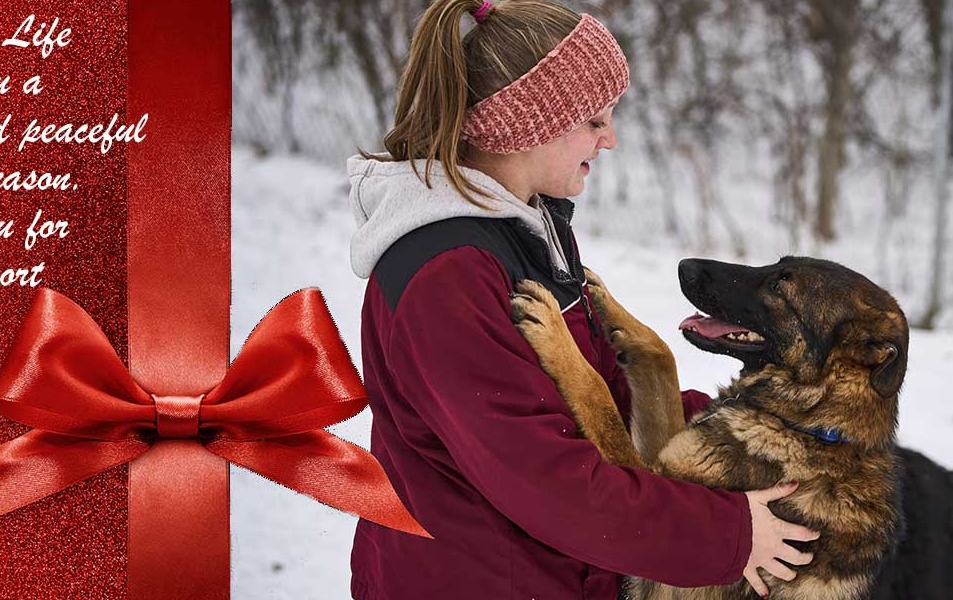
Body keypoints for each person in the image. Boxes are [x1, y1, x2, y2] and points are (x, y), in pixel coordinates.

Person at [347, 1, 818, 598]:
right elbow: (545, 479)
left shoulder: (526, 229)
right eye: (595, 121)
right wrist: (728, 536)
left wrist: (755, 439)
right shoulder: (449, 272)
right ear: (527, 126)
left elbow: (603, 395)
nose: (612, 139)